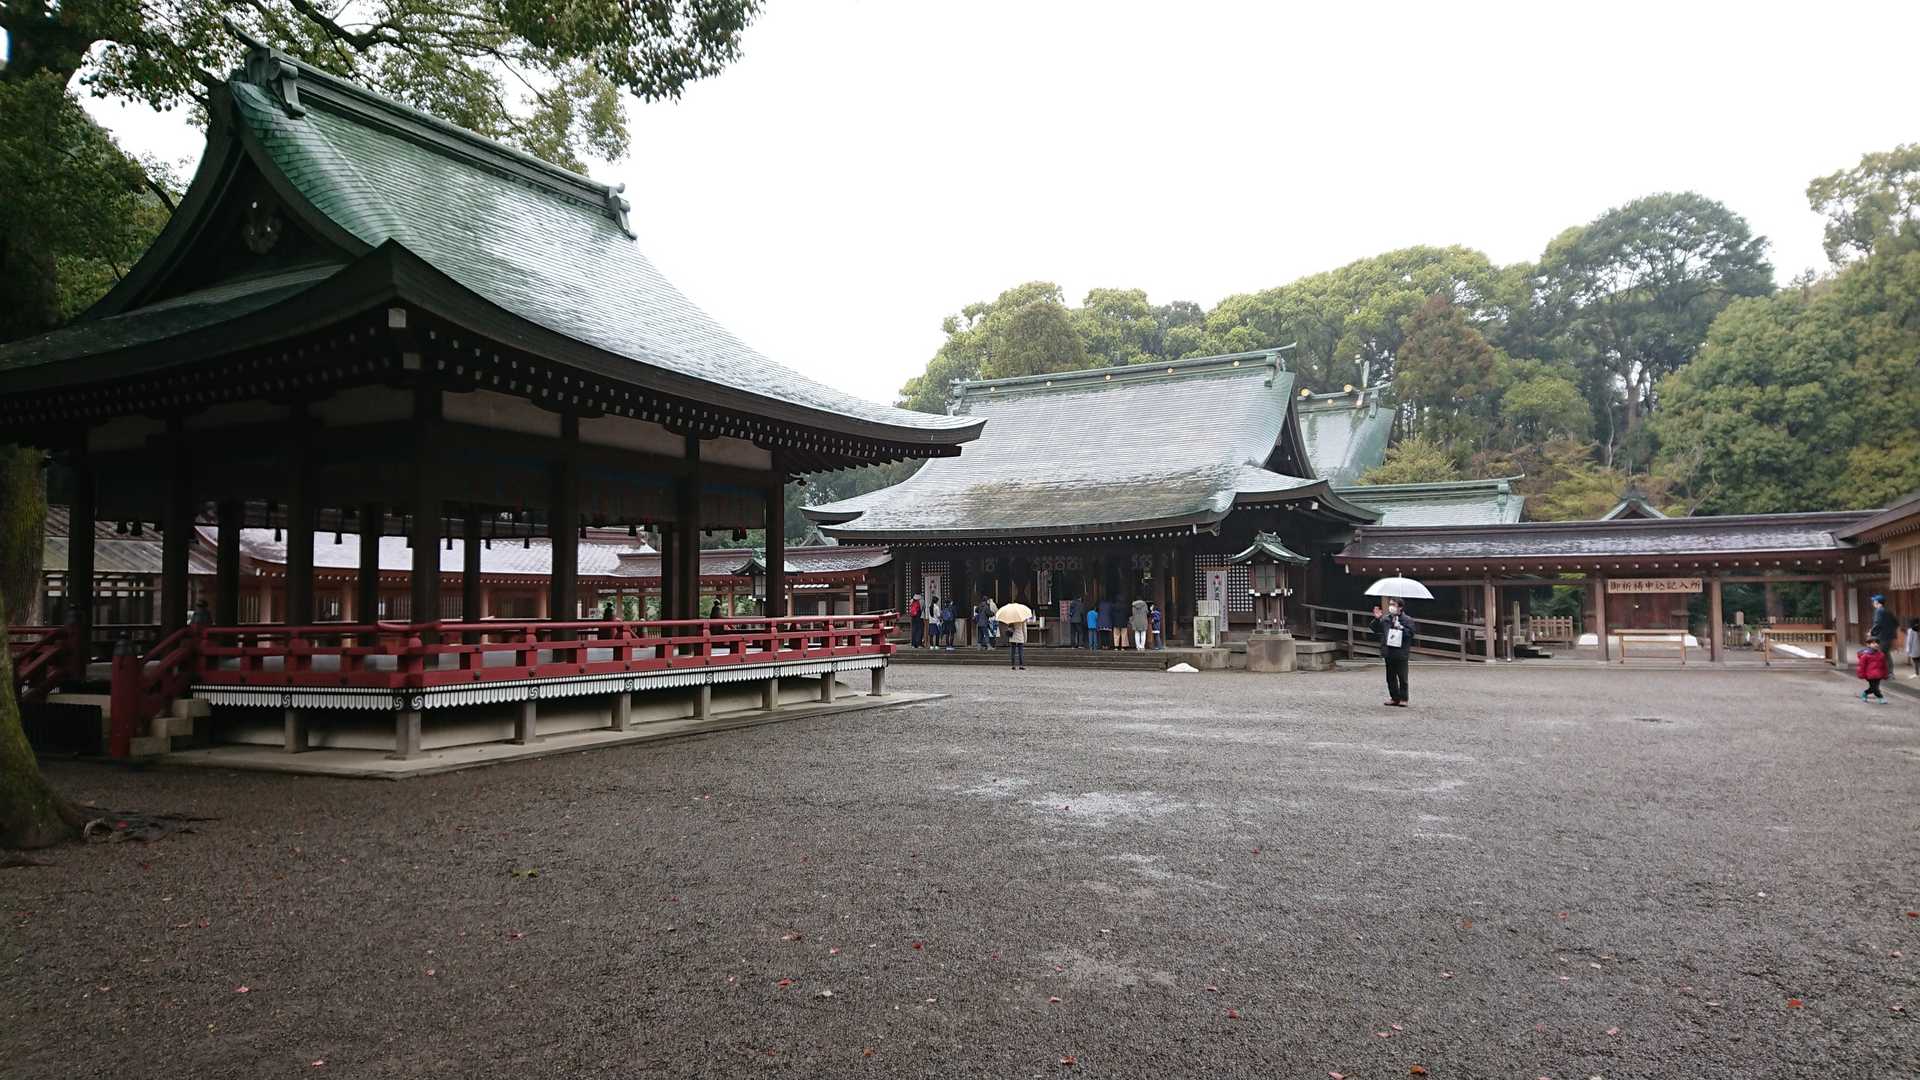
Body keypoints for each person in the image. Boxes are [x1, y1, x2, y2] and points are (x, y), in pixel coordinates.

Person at [1370, 600, 1416, 707]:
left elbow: (1411, 634)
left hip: (1401, 651)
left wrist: (1401, 627)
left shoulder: (1407, 620)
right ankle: (1394, 698)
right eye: (1390, 604)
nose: (1391, 606)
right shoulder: (1386, 619)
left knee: (1402, 677)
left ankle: (1403, 698)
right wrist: (1377, 619)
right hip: (1389, 651)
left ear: (1400, 607)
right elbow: (1375, 629)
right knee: (1390, 677)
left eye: (1393, 605)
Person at [1857, 637, 1890, 703]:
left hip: (1878, 675)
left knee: (1873, 688)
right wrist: (1861, 674)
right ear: (1868, 645)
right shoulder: (1865, 655)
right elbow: (1861, 666)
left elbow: (1884, 666)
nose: (1876, 644)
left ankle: (1865, 693)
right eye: (1873, 643)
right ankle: (1881, 698)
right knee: (1875, 688)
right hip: (1870, 675)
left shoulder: (1881, 654)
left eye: (1877, 643)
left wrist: (1886, 674)